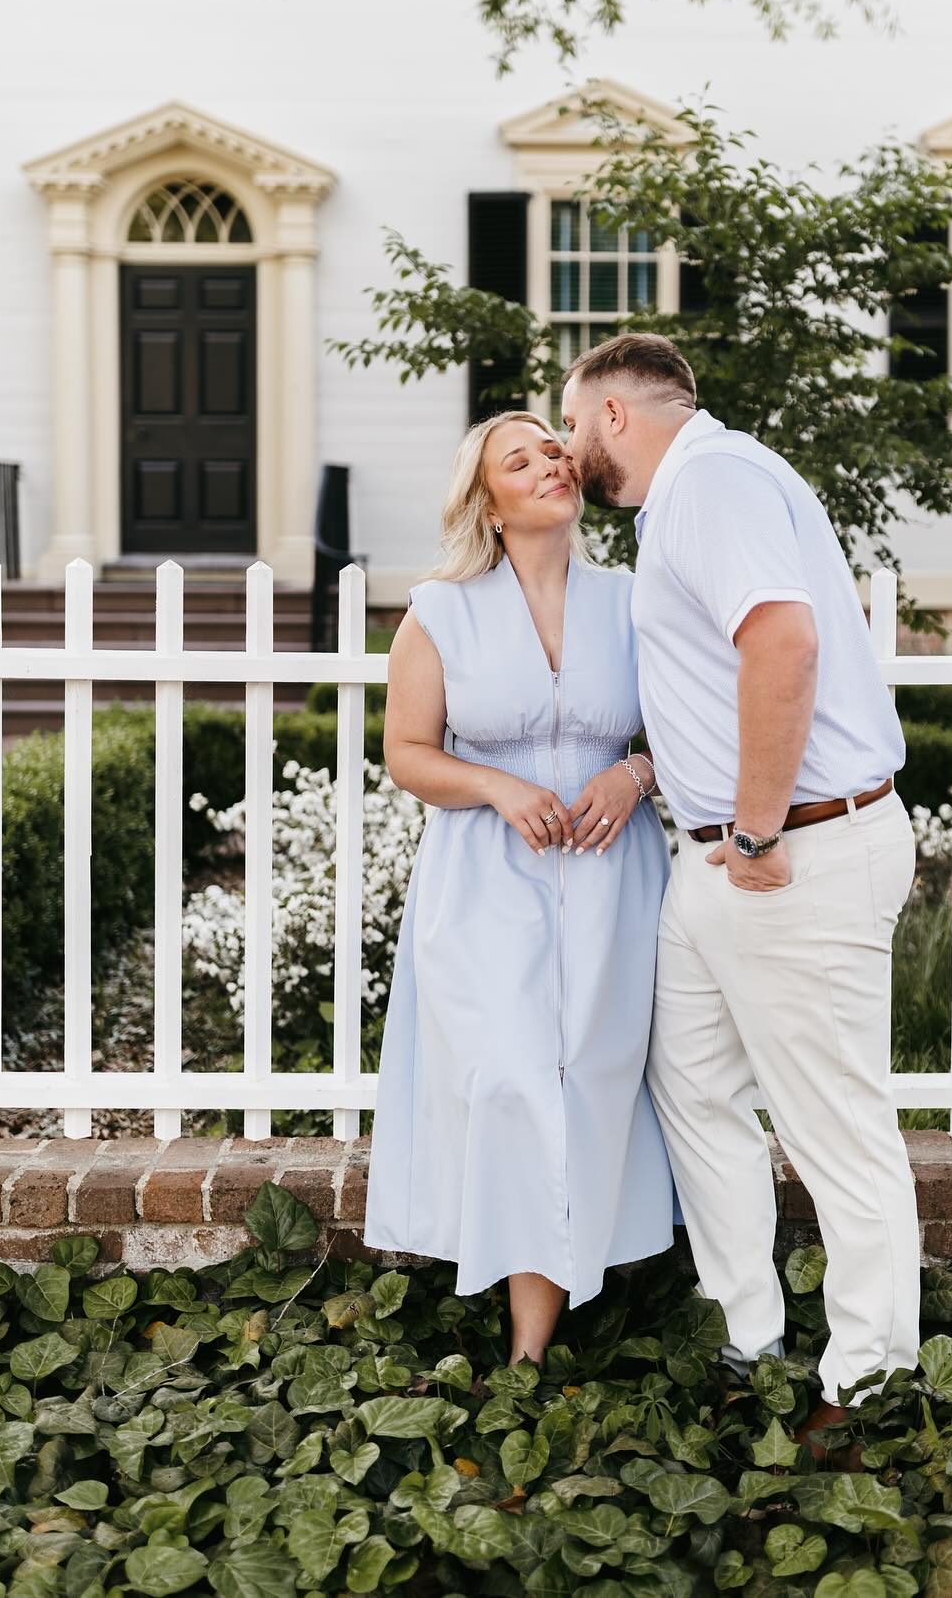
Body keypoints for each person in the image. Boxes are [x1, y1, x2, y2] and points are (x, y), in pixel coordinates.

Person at [561, 332, 919, 1434]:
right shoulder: (693, 496)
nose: (572, 451)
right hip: (717, 856)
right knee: (695, 1090)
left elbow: (785, 646)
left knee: (832, 1122)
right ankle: (746, 1334)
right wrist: (650, 773)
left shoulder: (711, 481)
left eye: (573, 426)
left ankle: (869, 1380)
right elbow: (713, 682)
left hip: (790, 853)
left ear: (615, 413)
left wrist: (758, 833)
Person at [362, 409, 675, 1367]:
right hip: (484, 881)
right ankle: (522, 1337)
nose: (550, 462)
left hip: (613, 870)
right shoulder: (441, 611)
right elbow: (407, 754)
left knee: (594, 1077)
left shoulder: (636, 599)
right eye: (520, 457)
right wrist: (495, 784)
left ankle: (556, 1329)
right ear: (488, 503)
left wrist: (635, 774)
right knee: (507, 1080)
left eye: (554, 448)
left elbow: (703, 724)